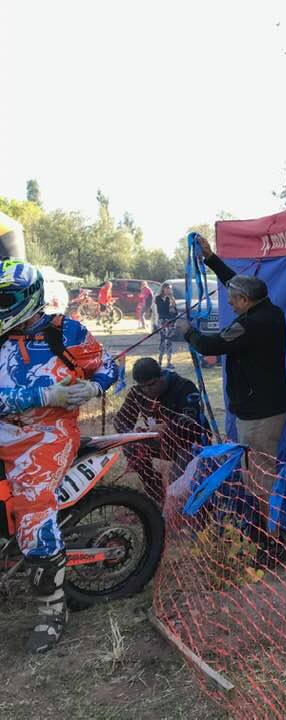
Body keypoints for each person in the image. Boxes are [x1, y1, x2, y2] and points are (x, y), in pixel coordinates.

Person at [0, 259, 118, 652]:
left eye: (3, 299)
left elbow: (108, 365)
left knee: (33, 507)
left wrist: (95, 387)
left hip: (46, 435)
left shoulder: (66, 331)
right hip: (5, 427)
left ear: (26, 297)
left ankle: (51, 609)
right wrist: (44, 393)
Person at [174, 235, 286, 546]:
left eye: (233, 299)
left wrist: (188, 331)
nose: (228, 303)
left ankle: (270, 539)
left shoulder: (251, 324)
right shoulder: (269, 310)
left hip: (260, 413)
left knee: (260, 474)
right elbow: (236, 285)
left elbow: (210, 346)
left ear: (245, 301)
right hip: (263, 407)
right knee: (254, 470)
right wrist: (211, 259)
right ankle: (264, 530)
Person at [114, 357, 210, 505]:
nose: (147, 390)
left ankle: (188, 506)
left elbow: (192, 421)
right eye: (143, 386)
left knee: (175, 483)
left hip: (189, 444)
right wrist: (133, 435)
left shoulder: (183, 387)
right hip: (161, 442)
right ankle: (155, 489)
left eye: (151, 384)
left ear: (160, 377)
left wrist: (167, 427)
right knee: (131, 446)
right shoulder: (138, 392)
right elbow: (120, 420)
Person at [155, 282, 178, 368]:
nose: (169, 290)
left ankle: (169, 362)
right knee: (163, 341)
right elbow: (161, 310)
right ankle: (160, 361)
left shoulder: (171, 298)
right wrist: (168, 300)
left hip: (171, 321)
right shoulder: (158, 298)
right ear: (163, 289)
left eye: (170, 288)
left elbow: (175, 312)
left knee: (169, 341)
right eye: (167, 288)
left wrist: (172, 302)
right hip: (163, 321)